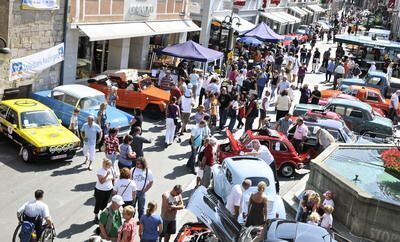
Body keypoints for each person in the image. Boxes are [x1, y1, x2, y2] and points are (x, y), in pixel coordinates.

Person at [94, 159, 116, 223]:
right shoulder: (100, 171)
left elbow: (113, 178)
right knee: (98, 203)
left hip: (109, 189)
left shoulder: (111, 169)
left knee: (105, 203)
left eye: (111, 164)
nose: (111, 165)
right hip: (100, 190)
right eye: (109, 164)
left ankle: (103, 216)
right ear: (105, 164)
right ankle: (96, 216)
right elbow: (101, 181)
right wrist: (106, 175)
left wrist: (114, 186)